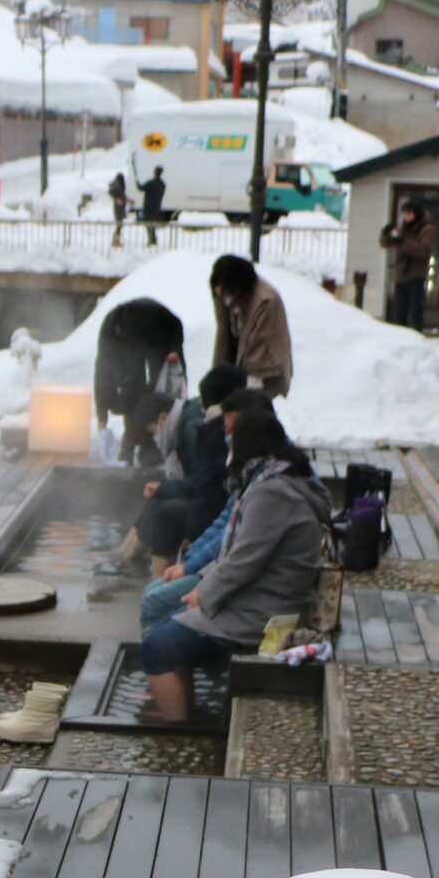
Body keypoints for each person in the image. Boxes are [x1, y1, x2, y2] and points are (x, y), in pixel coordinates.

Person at [138, 410, 328, 724]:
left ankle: (176, 731)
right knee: (164, 630)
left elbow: (243, 560)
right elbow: (238, 550)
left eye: (231, 436)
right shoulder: (274, 479)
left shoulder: (273, 492)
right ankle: (182, 711)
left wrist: (204, 593)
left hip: (268, 614)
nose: (227, 444)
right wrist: (202, 585)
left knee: (156, 648)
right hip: (262, 600)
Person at [134, 365, 249, 612]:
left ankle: (153, 576)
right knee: (160, 504)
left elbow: (209, 493)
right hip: (213, 520)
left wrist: (191, 563)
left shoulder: (204, 430)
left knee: (164, 511)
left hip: (212, 527)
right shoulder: (214, 428)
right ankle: (135, 563)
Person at [209, 255, 291, 398]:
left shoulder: (265, 302)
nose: (227, 300)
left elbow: (258, 356)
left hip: (266, 371)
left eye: (230, 293)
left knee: (252, 410)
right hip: (238, 365)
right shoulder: (221, 291)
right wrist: (218, 376)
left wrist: (240, 389)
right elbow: (223, 337)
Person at [380, 199, 435, 330]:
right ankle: (400, 337)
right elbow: (385, 244)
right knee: (399, 312)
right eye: (404, 213)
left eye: (409, 213)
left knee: (415, 311)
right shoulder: (401, 228)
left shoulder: (427, 229)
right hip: (401, 274)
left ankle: (416, 336)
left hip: (416, 275)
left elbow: (423, 250)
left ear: (417, 214)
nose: (406, 217)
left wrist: (402, 242)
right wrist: (385, 234)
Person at [139, 167, 168, 244]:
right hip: (157, 207)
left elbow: (141, 188)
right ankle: (153, 240)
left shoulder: (151, 183)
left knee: (149, 224)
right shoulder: (162, 184)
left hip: (148, 207)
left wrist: (137, 182)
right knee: (153, 224)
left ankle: (151, 240)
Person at [109, 170, 130, 245]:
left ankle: (116, 240)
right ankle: (115, 241)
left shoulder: (118, 184)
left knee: (119, 224)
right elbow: (112, 192)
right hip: (119, 207)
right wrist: (117, 199)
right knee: (119, 224)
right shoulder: (117, 185)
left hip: (121, 206)